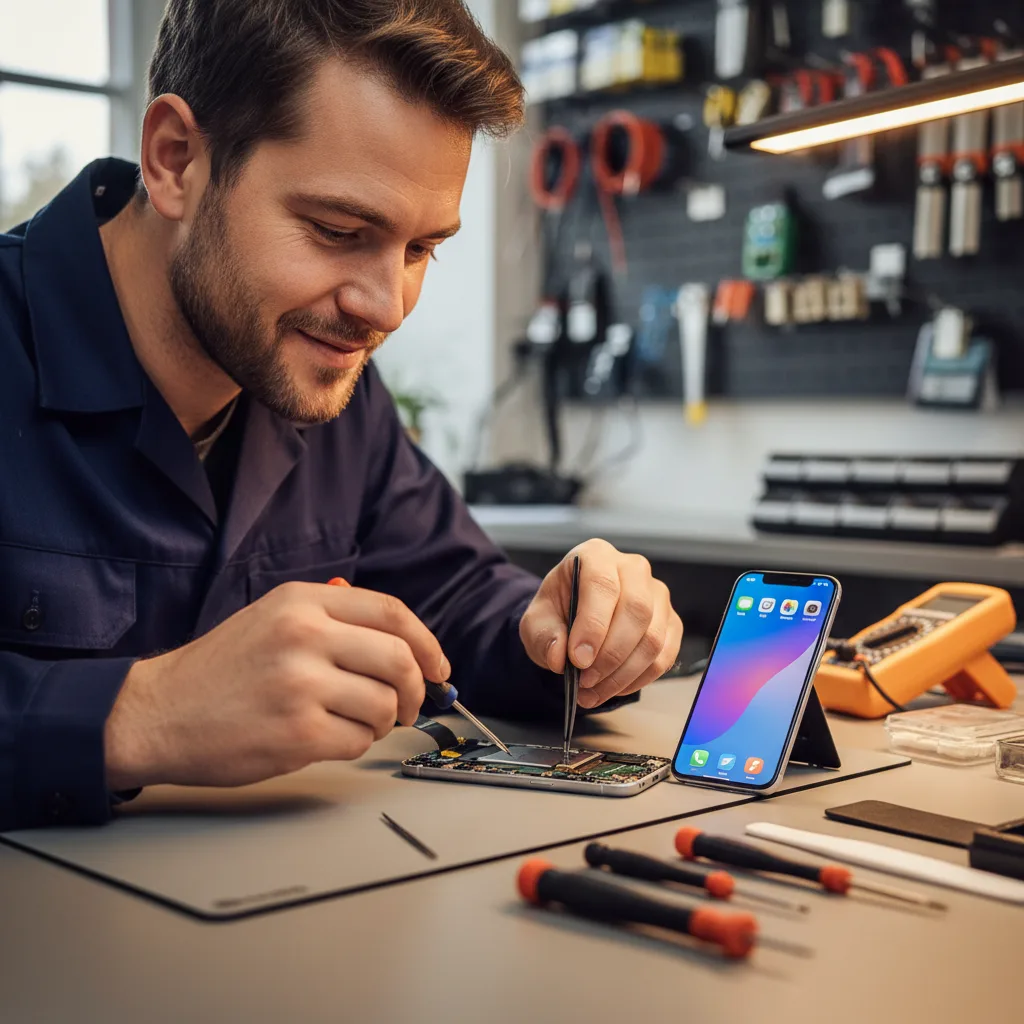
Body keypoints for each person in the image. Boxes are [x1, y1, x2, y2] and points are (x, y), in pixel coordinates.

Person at [0, 0, 682, 832]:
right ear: (176, 159)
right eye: (337, 229)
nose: (386, 307)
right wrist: (144, 714)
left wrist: (567, 628)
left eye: (421, 249)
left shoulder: (322, 373)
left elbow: (458, 595)